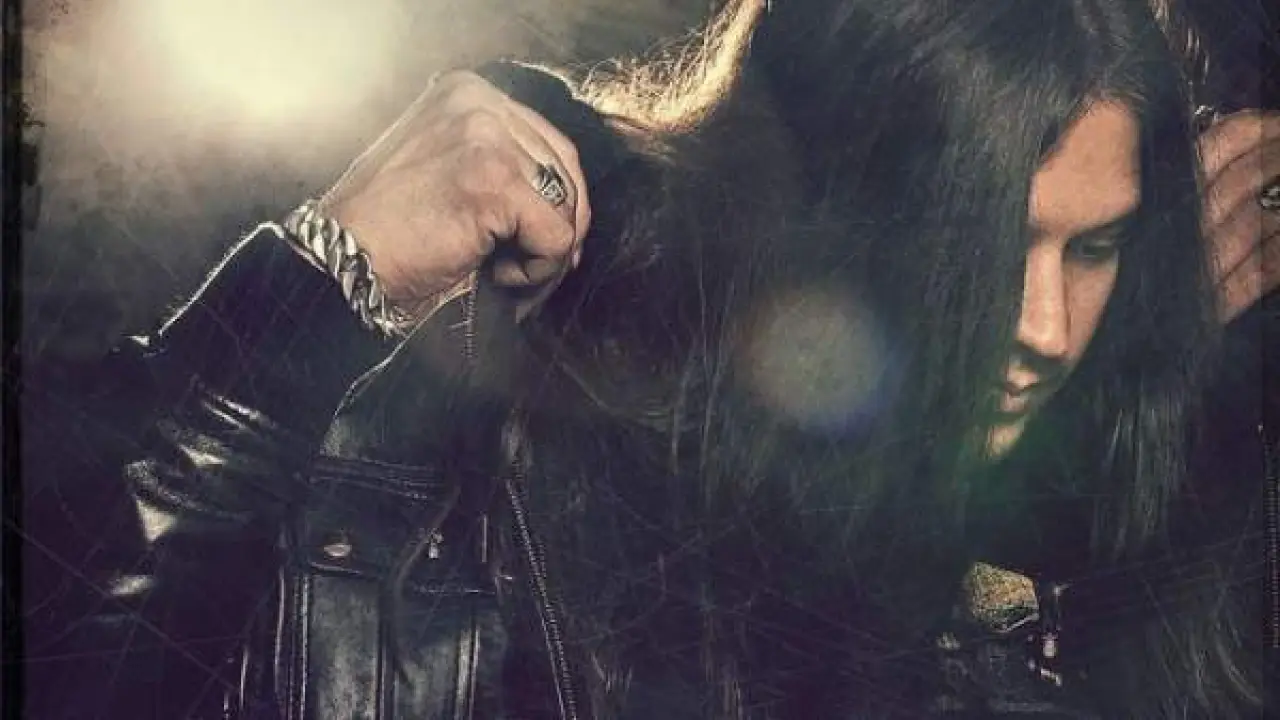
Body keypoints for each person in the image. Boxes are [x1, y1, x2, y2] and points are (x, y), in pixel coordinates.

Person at [19, 0, 1265, 716]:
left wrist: (1161, 394)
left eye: (1094, 248)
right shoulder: (460, 409)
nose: (1044, 328)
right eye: (987, 249)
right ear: (837, 222)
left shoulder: (1010, 532)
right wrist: (317, 278)